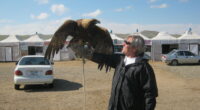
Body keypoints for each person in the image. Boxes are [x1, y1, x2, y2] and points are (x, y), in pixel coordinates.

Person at [105, 35, 158, 110]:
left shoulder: (144, 68)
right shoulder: (119, 61)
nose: (123, 44)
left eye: (126, 42)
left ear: (134, 48)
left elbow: (150, 97)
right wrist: (89, 53)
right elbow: (102, 58)